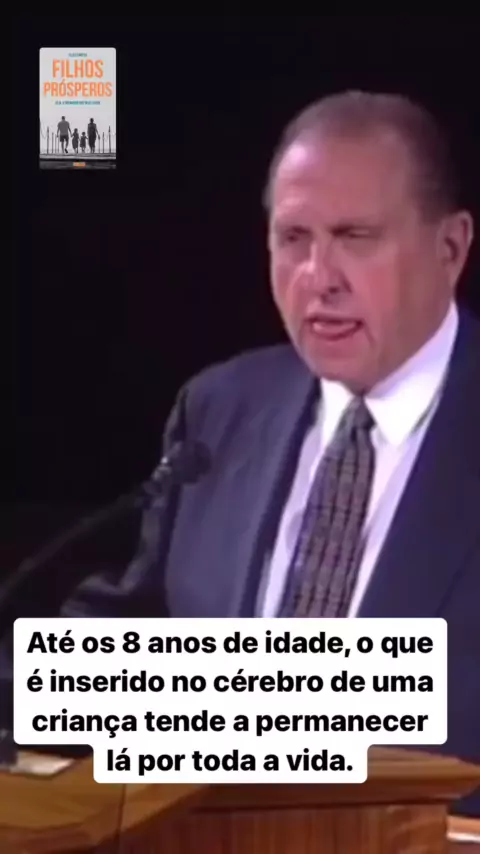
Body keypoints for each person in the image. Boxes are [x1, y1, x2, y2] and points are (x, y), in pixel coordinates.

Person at [15, 90, 480, 815]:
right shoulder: (222, 410)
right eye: (293, 238)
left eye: (356, 236)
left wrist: (226, 701)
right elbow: (128, 635)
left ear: (450, 248)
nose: (318, 275)